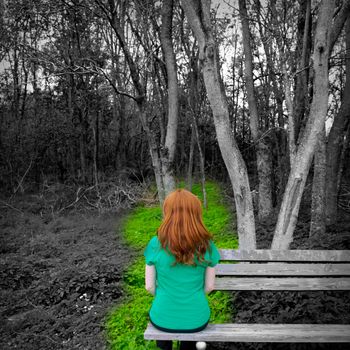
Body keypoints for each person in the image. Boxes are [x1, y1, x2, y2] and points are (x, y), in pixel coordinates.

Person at [144, 189, 221, 350]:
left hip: (163, 317)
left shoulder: (155, 243)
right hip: (196, 318)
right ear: (196, 214)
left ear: (168, 212)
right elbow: (210, 287)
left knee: (164, 336)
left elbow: (149, 287)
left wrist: (168, 298)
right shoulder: (207, 245)